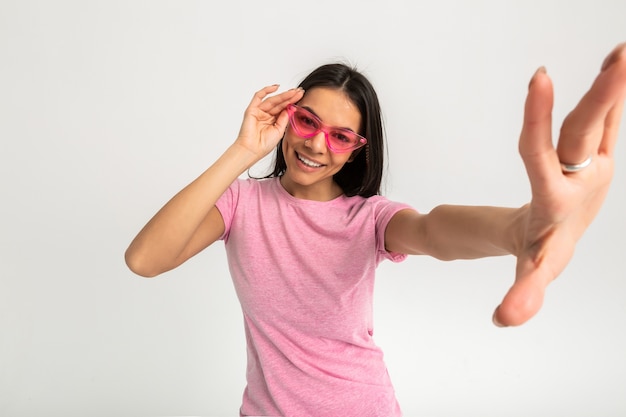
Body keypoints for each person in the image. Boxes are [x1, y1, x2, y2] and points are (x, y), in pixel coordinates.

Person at [125, 42, 626, 417]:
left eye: (339, 136)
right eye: (306, 122)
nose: (317, 145)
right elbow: (144, 260)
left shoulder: (367, 218)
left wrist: (517, 228)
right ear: (286, 118)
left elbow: (432, 231)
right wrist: (242, 152)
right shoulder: (241, 204)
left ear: (357, 148)